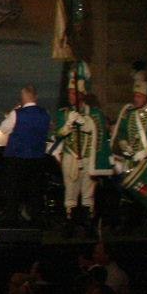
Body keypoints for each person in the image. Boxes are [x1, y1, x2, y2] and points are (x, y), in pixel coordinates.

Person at [109, 62, 147, 230]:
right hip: (130, 159)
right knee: (127, 191)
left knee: (144, 191)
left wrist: (143, 153)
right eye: (135, 95)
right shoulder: (128, 113)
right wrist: (124, 145)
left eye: (139, 96)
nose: (136, 98)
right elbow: (121, 133)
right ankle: (128, 221)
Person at [52, 61, 105, 233]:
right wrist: (68, 125)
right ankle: (70, 222)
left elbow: (98, 131)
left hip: (88, 157)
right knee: (70, 192)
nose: (71, 96)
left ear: (81, 95)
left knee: (88, 193)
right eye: (69, 93)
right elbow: (58, 134)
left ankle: (88, 222)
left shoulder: (94, 113)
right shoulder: (64, 113)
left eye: (74, 93)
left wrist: (85, 122)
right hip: (71, 156)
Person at [0, 85, 53, 224]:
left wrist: (12, 112)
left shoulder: (17, 113)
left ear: (23, 97)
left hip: (17, 157)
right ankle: (35, 221)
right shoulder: (45, 113)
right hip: (37, 158)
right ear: (36, 97)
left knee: (14, 191)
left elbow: (3, 129)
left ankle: (12, 220)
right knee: (35, 191)